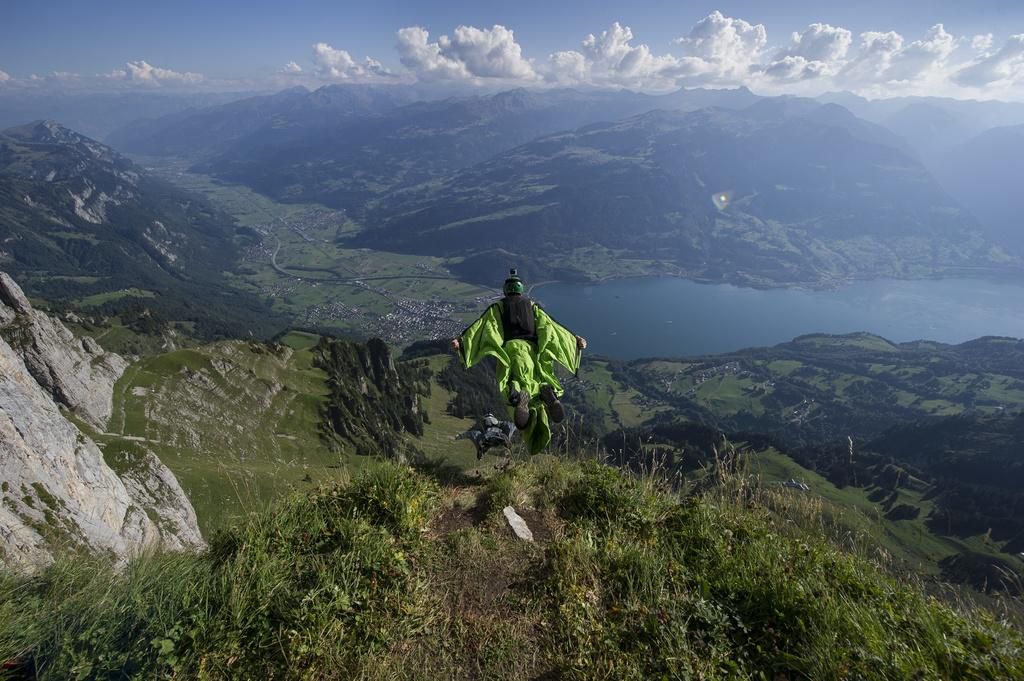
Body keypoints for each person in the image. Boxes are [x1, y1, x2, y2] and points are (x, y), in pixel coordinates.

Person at [450, 268, 587, 455]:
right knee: (539, 379)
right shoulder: (532, 306)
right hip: (534, 352)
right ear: (521, 289)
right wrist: (575, 340)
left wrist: (461, 342)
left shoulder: (499, 308)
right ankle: (549, 394)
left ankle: (517, 397)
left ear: (506, 290)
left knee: (512, 380)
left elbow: (481, 327)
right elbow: (552, 327)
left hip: (513, 350)